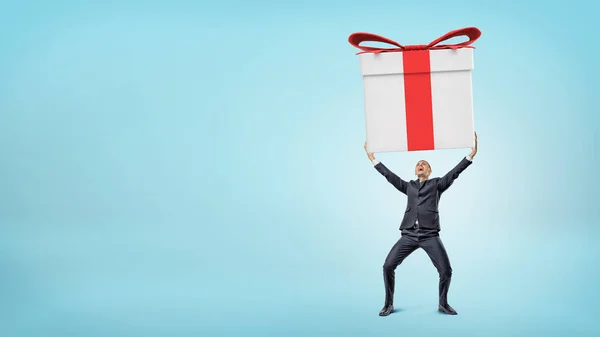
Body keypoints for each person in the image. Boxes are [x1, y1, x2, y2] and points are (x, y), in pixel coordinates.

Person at [364, 132, 478, 316]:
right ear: (415, 170)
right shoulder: (408, 186)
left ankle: (443, 303)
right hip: (408, 234)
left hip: (429, 235)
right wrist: (373, 159)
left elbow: (454, 173)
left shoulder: (437, 184)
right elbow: (389, 176)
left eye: (424, 163)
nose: (420, 165)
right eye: (418, 163)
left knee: (446, 271)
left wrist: (470, 155)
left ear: (429, 171)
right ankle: (388, 304)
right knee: (387, 266)